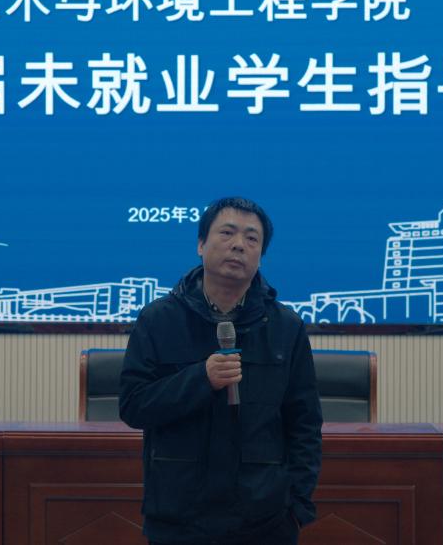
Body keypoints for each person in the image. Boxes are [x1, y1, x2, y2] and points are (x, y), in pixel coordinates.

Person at [120, 197, 322, 545]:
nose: (238, 245)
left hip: (265, 519)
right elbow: (133, 405)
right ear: (201, 244)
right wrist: (201, 379)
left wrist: (296, 507)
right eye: (227, 233)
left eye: (251, 238)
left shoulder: (285, 327)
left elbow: (304, 423)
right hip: (178, 517)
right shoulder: (158, 320)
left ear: (261, 255)